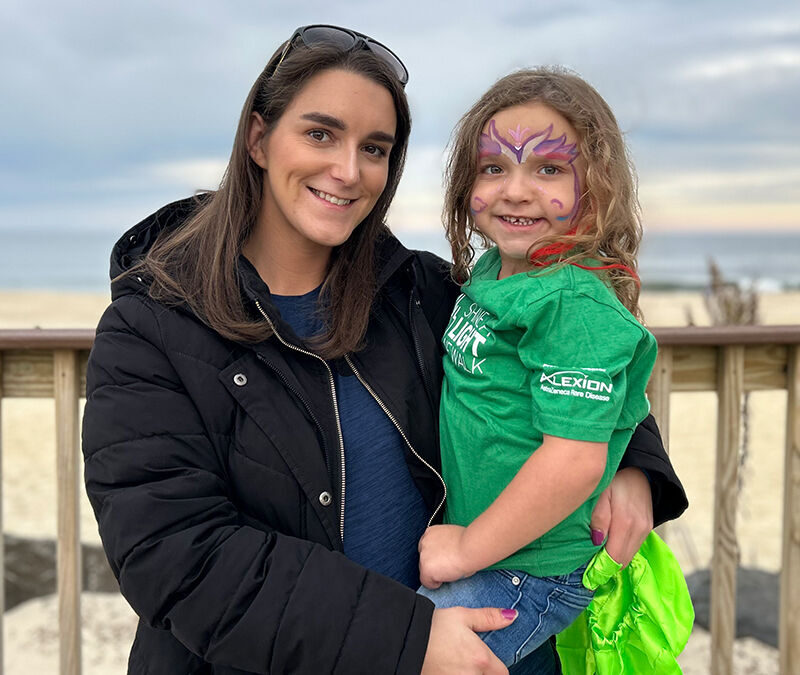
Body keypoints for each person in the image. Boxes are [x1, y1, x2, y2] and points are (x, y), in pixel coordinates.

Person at [81, 26, 687, 675]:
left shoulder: (416, 291)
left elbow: (566, 362)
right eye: (320, 133)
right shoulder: (151, 331)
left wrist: (634, 466)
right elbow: (178, 554)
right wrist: (409, 638)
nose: (348, 170)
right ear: (258, 138)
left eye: (374, 147)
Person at [416, 66, 678, 668]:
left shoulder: (572, 304)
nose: (515, 190)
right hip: (496, 553)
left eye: (550, 169)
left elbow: (574, 456)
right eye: (494, 167)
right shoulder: (493, 274)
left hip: (525, 570)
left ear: (600, 186)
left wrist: (464, 551)